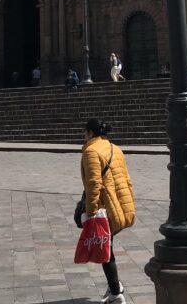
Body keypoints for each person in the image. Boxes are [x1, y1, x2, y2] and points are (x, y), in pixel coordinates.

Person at [80, 119, 135, 304]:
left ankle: (116, 292)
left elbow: (94, 184)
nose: (83, 137)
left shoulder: (91, 151)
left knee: (104, 248)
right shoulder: (115, 149)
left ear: (89, 133)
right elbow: (126, 179)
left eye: (84, 133)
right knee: (107, 245)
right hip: (120, 204)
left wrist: (91, 212)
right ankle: (114, 286)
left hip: (105, 207)